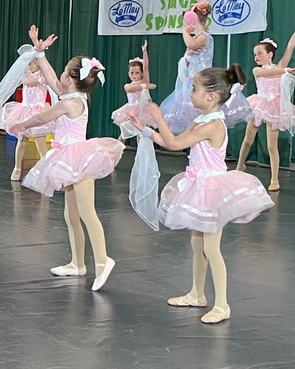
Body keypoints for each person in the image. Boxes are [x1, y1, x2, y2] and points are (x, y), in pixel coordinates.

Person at [130, 65, 274, 323]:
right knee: (197, 244)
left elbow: (174, 144)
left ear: (210, 97)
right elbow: (172, 141)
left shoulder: (214, 125)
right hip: (198, 186)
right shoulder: (201, 121)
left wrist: (158, 116)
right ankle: (197, 294)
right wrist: (145, 130)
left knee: (211, 247)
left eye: (194, 89)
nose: (190, 95)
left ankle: (222, 304)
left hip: (211, 190)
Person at [9, 25, 124, 291]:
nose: (58, 74)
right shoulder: (74, 95)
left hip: (78, 159)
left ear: (71, 79)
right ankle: (77, 263)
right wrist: (39, 54)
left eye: (64, 72)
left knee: (87, 212)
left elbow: (41, 117)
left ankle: (103, 260)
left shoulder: (70, 102)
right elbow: (50, 79)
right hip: (70, 157)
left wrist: (20, 126)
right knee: (70, 214)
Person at [236, 33, 295, 191]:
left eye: (260, 53)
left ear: (270, 54)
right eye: (255, 54)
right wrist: (286, 71)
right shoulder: (257, 70)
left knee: (271, 145)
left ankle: (274, 179)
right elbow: (268, 74)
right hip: (259, 104)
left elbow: (290, 48)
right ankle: (240, 166)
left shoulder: (280, 66)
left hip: (274, 108)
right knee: (248, 139)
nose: (256, 56)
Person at [160, 1, 213, 134]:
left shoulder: (204, 37)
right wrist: (187, 56)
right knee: (192, 119)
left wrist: (185, 32)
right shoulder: (197, 38)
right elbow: (188, 58)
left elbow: (192, 44)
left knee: (199, 115)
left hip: (202, 82)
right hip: (192, 81)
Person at [1, 56, 53, 181]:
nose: (28, 67)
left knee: (40, 142)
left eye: (31, 64)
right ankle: (17, 167)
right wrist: (40, 80)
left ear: (38, 63)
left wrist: (43, 78)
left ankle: (45, 169)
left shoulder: (44, 73)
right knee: (22, 140)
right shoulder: (25, 75)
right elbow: (26, 82)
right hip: (25, 111)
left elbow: (49, 79)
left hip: (38, 111)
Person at [111, 40, 157, 140]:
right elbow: (131, 88)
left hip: (143, 110)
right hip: (131, 111)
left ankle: (140, 154)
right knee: (124, 135)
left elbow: (146, 68)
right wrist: (146, 86)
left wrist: (144, 52)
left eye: (137, 73)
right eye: (132, 73)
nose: (134, 75)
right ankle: (116, 153)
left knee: (141, 134)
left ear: (141, 74)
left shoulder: (144, 81)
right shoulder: (127, 85)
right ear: (128, 74)